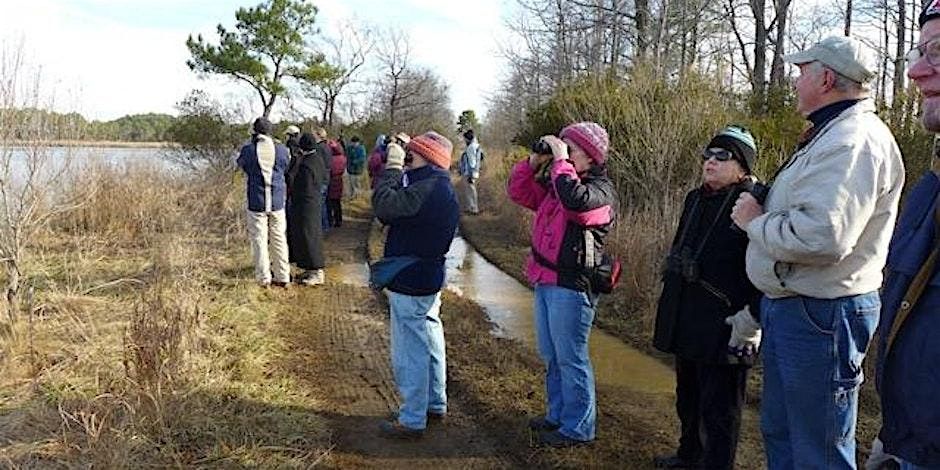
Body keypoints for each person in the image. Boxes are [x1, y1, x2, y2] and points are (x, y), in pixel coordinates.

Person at [730, 35, 905, 469]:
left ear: (825, 78)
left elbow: (823, 236)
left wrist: (755, 220)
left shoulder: (852, 140)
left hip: (822, 315)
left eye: (801, 70)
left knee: (818, 450)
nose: (794, 80)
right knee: (785, 434)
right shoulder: (832, 133)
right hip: (802, 309)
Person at [652, 126, 764, 470]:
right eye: (708, 155)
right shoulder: (695, 198)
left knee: (721, 410)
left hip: (728, 321)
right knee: (688, 396)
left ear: (742, 166)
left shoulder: (754, 202)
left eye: (722, 156)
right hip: (687, 313)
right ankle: (688, 456)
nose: (710, 162)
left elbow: (764, 265)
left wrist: (753, 318)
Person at [507, 122, 617, 448]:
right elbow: (518, 191)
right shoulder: (560, 183)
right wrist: (533, 162)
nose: (564, 154)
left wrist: (558, 162)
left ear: (591, 157)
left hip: (572, 286)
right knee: (552, 355)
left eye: (572, 149)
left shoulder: (599, 191)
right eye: (563, 147)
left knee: (571, 357)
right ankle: (557, 416)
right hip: (545, 279)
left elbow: (577, 205)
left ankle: (579, 427)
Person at [870, 5, 940, 469]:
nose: (914, 71)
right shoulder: (931, 183)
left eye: (938, 53)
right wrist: (893, 438)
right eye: (920, 51)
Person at [372, 131, 459, 439]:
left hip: (412, 279)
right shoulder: (437, 184)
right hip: (428, 276)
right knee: (431, 336)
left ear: (425, 158)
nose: (407, 158)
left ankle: (411, 419)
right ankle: (434, 403)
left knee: (411, 350)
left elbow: (384, 206)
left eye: (411, 155)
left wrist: (394, 165)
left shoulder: (427, 188)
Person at [236, 117, 291, 288]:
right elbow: (286, 166)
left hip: (257, 200)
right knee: (279, 238)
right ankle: (283, 275)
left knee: (259, 239)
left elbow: (241, 166)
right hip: (277, 200)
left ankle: (263, 278)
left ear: (255, 131)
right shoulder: (282, 149)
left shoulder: (248, 150)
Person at [286, 133, 327, 286]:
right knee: (311, 234)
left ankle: (316, 271)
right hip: (314, 202)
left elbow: (300, 185)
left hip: (305, 204)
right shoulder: (317, 160)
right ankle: (310, 268)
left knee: (308, 236)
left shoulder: (305, 164)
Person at [459, 129, 484, 215]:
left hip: (470, 172)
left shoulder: (471, 148)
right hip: (474, 171)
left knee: (470, 190)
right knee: (471, 189)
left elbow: (471, 162)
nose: (464, 140)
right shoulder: (477, 146)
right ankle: (472, 207)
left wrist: (470, 173)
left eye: (465, 138)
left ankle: (473, 208)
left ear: (468, 138)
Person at [313, 128, 333, 233]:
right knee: (324, 203)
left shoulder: (319, 148)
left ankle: (323, 227)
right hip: (326, 177)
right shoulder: (327, 147)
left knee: (320, 204)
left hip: (321, 179)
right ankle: (326, 225)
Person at [327, 140, 347, 227]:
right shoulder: (343, 158)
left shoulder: (331, 159)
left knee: (330, 203)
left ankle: (330, 220)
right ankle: (339, 220)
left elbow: (329, 170)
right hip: (339, 180)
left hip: (331, 181)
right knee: (337, 202)